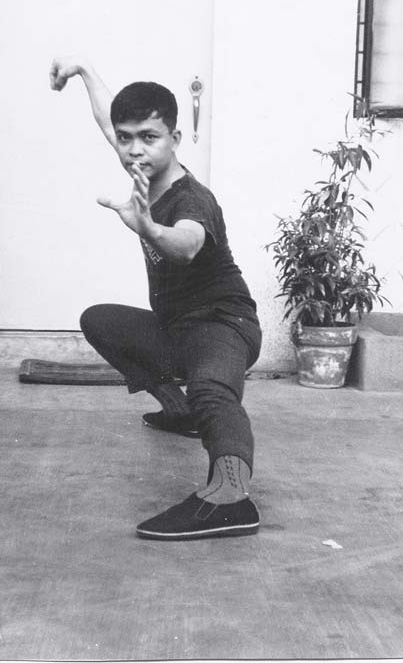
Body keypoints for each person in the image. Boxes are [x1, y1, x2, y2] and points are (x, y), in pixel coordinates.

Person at [49, 56, 262, 540]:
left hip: (224, 324)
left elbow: (187, 244)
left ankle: (232, 497)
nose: (132, 150)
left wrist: (148, 227)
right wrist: (82, 69)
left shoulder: (192, 198)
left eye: (149, 137)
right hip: (176, 327)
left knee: (213, 391)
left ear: (175, 140)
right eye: (126, 139)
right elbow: (109, 118)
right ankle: (178, 411)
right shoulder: (140, 161)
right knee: (99, 320)